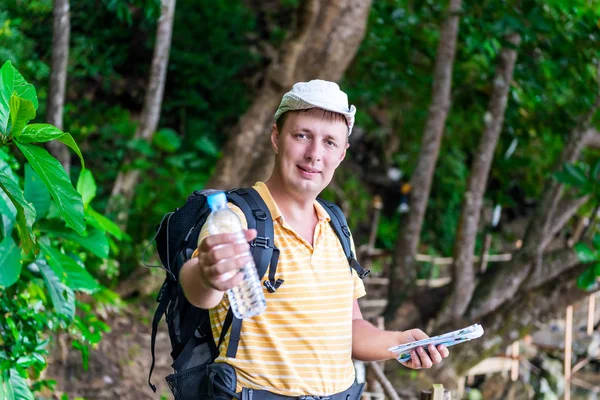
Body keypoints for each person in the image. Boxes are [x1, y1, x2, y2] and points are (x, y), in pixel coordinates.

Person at [179, 80, 449, 399]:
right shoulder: (236, 218)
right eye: (302, 135)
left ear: (342, 153)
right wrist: (209, 274)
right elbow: (199, 286)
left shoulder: (335, 225)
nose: (314, 155)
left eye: (330, 142)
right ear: (277, 137)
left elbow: (350, 329)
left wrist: (401, 343)